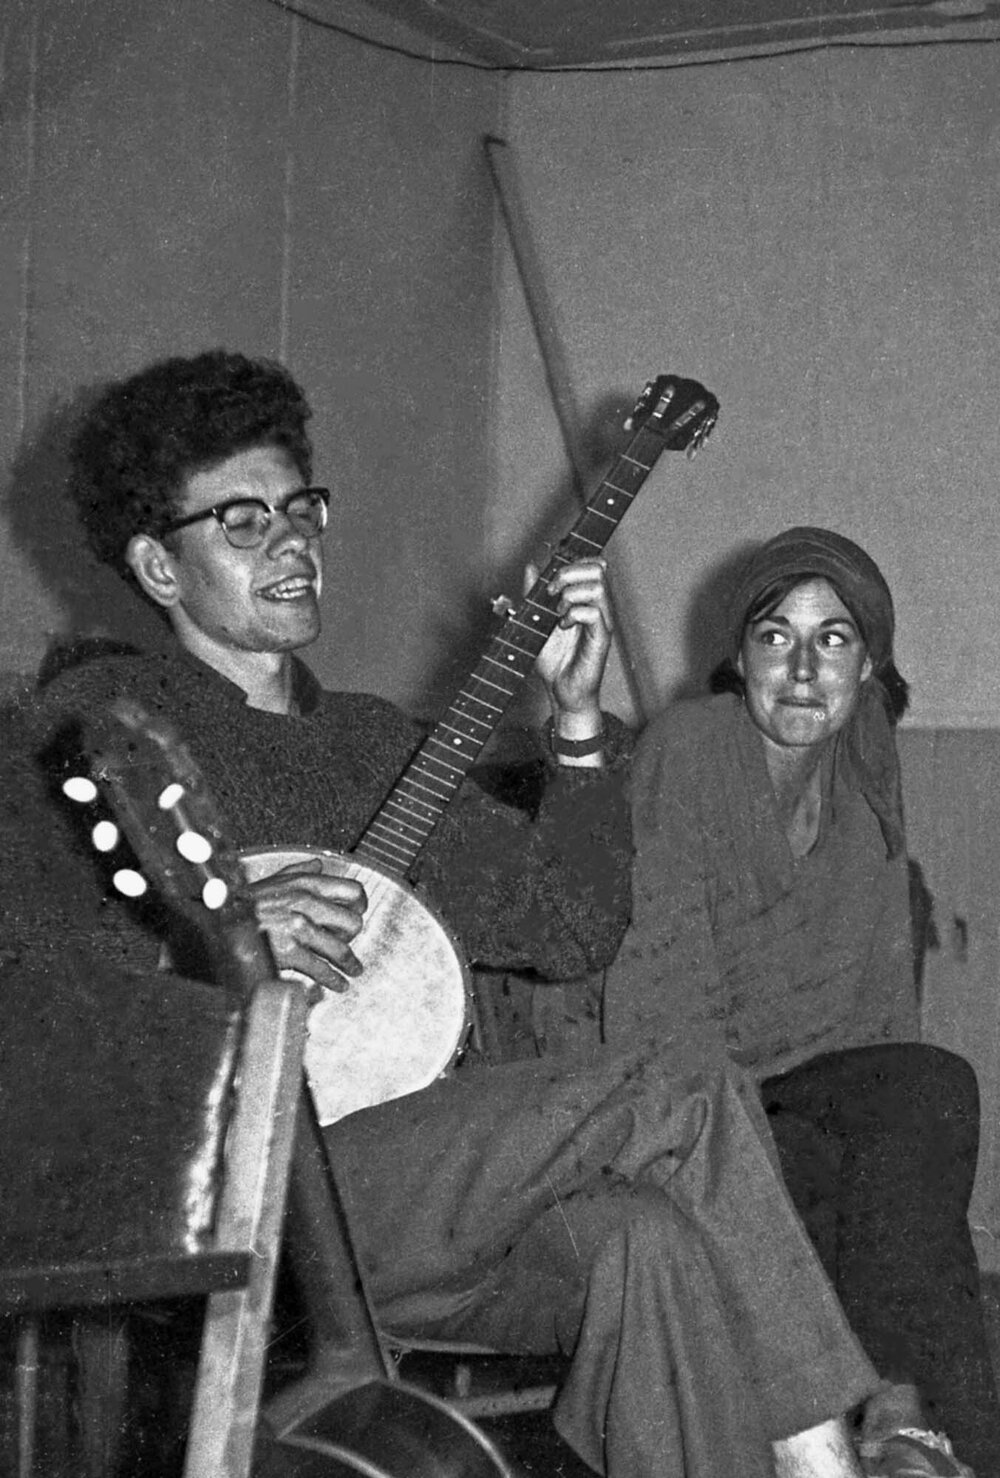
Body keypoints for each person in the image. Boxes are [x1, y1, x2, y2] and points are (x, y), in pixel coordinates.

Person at [2, 352, 881, 1478]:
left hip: (403, 1191)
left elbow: (571, 928)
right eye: (241, 522)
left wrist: (575, 726)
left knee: (645, 1242)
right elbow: (34, 973)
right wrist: (208, 934)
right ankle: (828, 1461)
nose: (290, 543)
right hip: (235, 1181)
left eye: (301, 510)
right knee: (682, 1082)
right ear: (158, 567)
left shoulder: (373, 743)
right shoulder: (98, 724)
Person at [597, 526, 999, 1477]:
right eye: (776, 637)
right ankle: (907, 1428)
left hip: (810, 1089)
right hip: (689, 1096)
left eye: (834, 639)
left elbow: (885, 1012)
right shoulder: (689, 750)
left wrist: (902, 1148)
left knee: (932, 1091)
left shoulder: (865, 766)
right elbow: (663, 1007)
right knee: (839, 1161)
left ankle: (912, 1424)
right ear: (740, 660)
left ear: (869, 667)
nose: (805, 669)